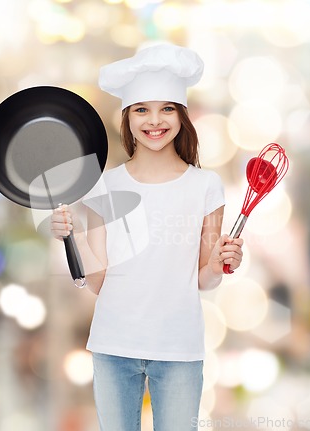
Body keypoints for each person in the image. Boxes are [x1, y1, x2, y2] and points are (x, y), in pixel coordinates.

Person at [51, 43, 243, 431]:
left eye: (166, 108)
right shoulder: (105, 185)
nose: (154, 121)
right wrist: (72, 236)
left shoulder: (206, 186)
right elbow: (98, 282)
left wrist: (223, 262)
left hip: (179, 347)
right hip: (113, 343)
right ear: (127, 117)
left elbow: (204, 278)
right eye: (142, 109)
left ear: (181, 115)